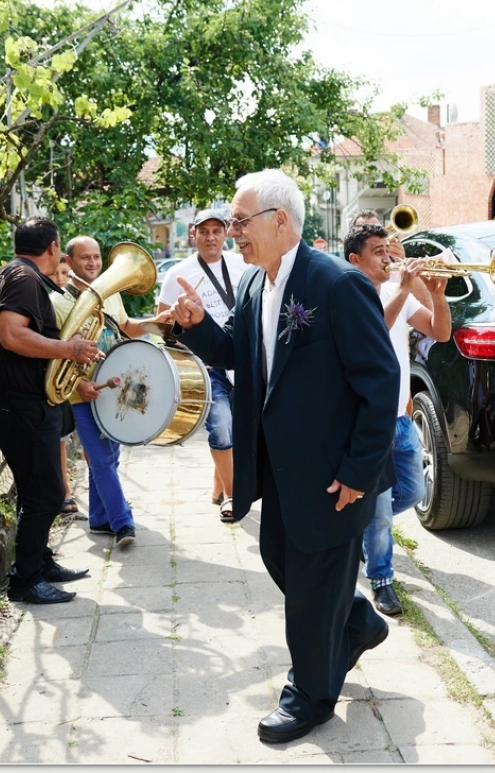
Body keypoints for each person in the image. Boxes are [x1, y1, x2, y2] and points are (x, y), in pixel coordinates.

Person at [163, 169, 399, 744]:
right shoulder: (253, 283)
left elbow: (381, 381)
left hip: (334, 473)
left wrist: (358, 471)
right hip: (278, 469)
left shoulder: (337, 284)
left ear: (281, 221)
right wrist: (196, 327)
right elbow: (237, 351)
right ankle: (356, 622)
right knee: (280, 558)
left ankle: (310, 696)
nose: (233, 232)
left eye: (241, 221)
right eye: (233, 223)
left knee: (311, 593)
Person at [0, 217, 97, 605]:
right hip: (24, 406)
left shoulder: (11, 274)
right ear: (52, 248)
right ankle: (26, 581)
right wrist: (69, 349)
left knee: (35, 491)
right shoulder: (25, 279)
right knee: (47, 493)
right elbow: (11, 334)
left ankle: (40, 563)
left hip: (19, 404)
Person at [344, 223, 451, 616]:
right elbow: (374, 332)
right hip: (368, 423)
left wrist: (438, 295)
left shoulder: (395, 292)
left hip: (401, 418)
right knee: (381, 512)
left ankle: (358, 528)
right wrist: (406, 287)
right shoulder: (349, 297)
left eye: (387, 250)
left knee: (414, 492)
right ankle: (381, 579)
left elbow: (440, 332)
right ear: (355, 260)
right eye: (377, 251)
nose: (387, 257)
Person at [157, 208, 250, 522]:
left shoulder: (244, 265)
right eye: (204, 231)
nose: (211, 237)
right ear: (193, 234)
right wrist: (174, 321)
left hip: (242, 360)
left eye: (216, 231)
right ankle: (233, 495)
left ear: (225, 234)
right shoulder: (176, 274)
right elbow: (163, 327)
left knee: (240, 428)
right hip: (205, 365)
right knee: (221, 425)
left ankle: (219, 485)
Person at [66, 235, 150, 549]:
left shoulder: (110, 293)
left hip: (115, 388)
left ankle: (99, 517)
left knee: (111, 458)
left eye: (96, 257)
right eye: (84, 257)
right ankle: (122, 521)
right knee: (101, 459)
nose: (93, 263)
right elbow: (53, 355)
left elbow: (126, 326)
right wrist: (78, 384)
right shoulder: (58, 302)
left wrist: (155, 323)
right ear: (69, 262)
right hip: (83, 395)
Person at [46, 255, 86, 519]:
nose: (61, 279)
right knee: (59, 443)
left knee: (71, 440)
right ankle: (65, 493)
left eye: (65, 273)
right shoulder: (49, 304)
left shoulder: (77, 301)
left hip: (70, 381)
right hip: (55, 380)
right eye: (55, 274)